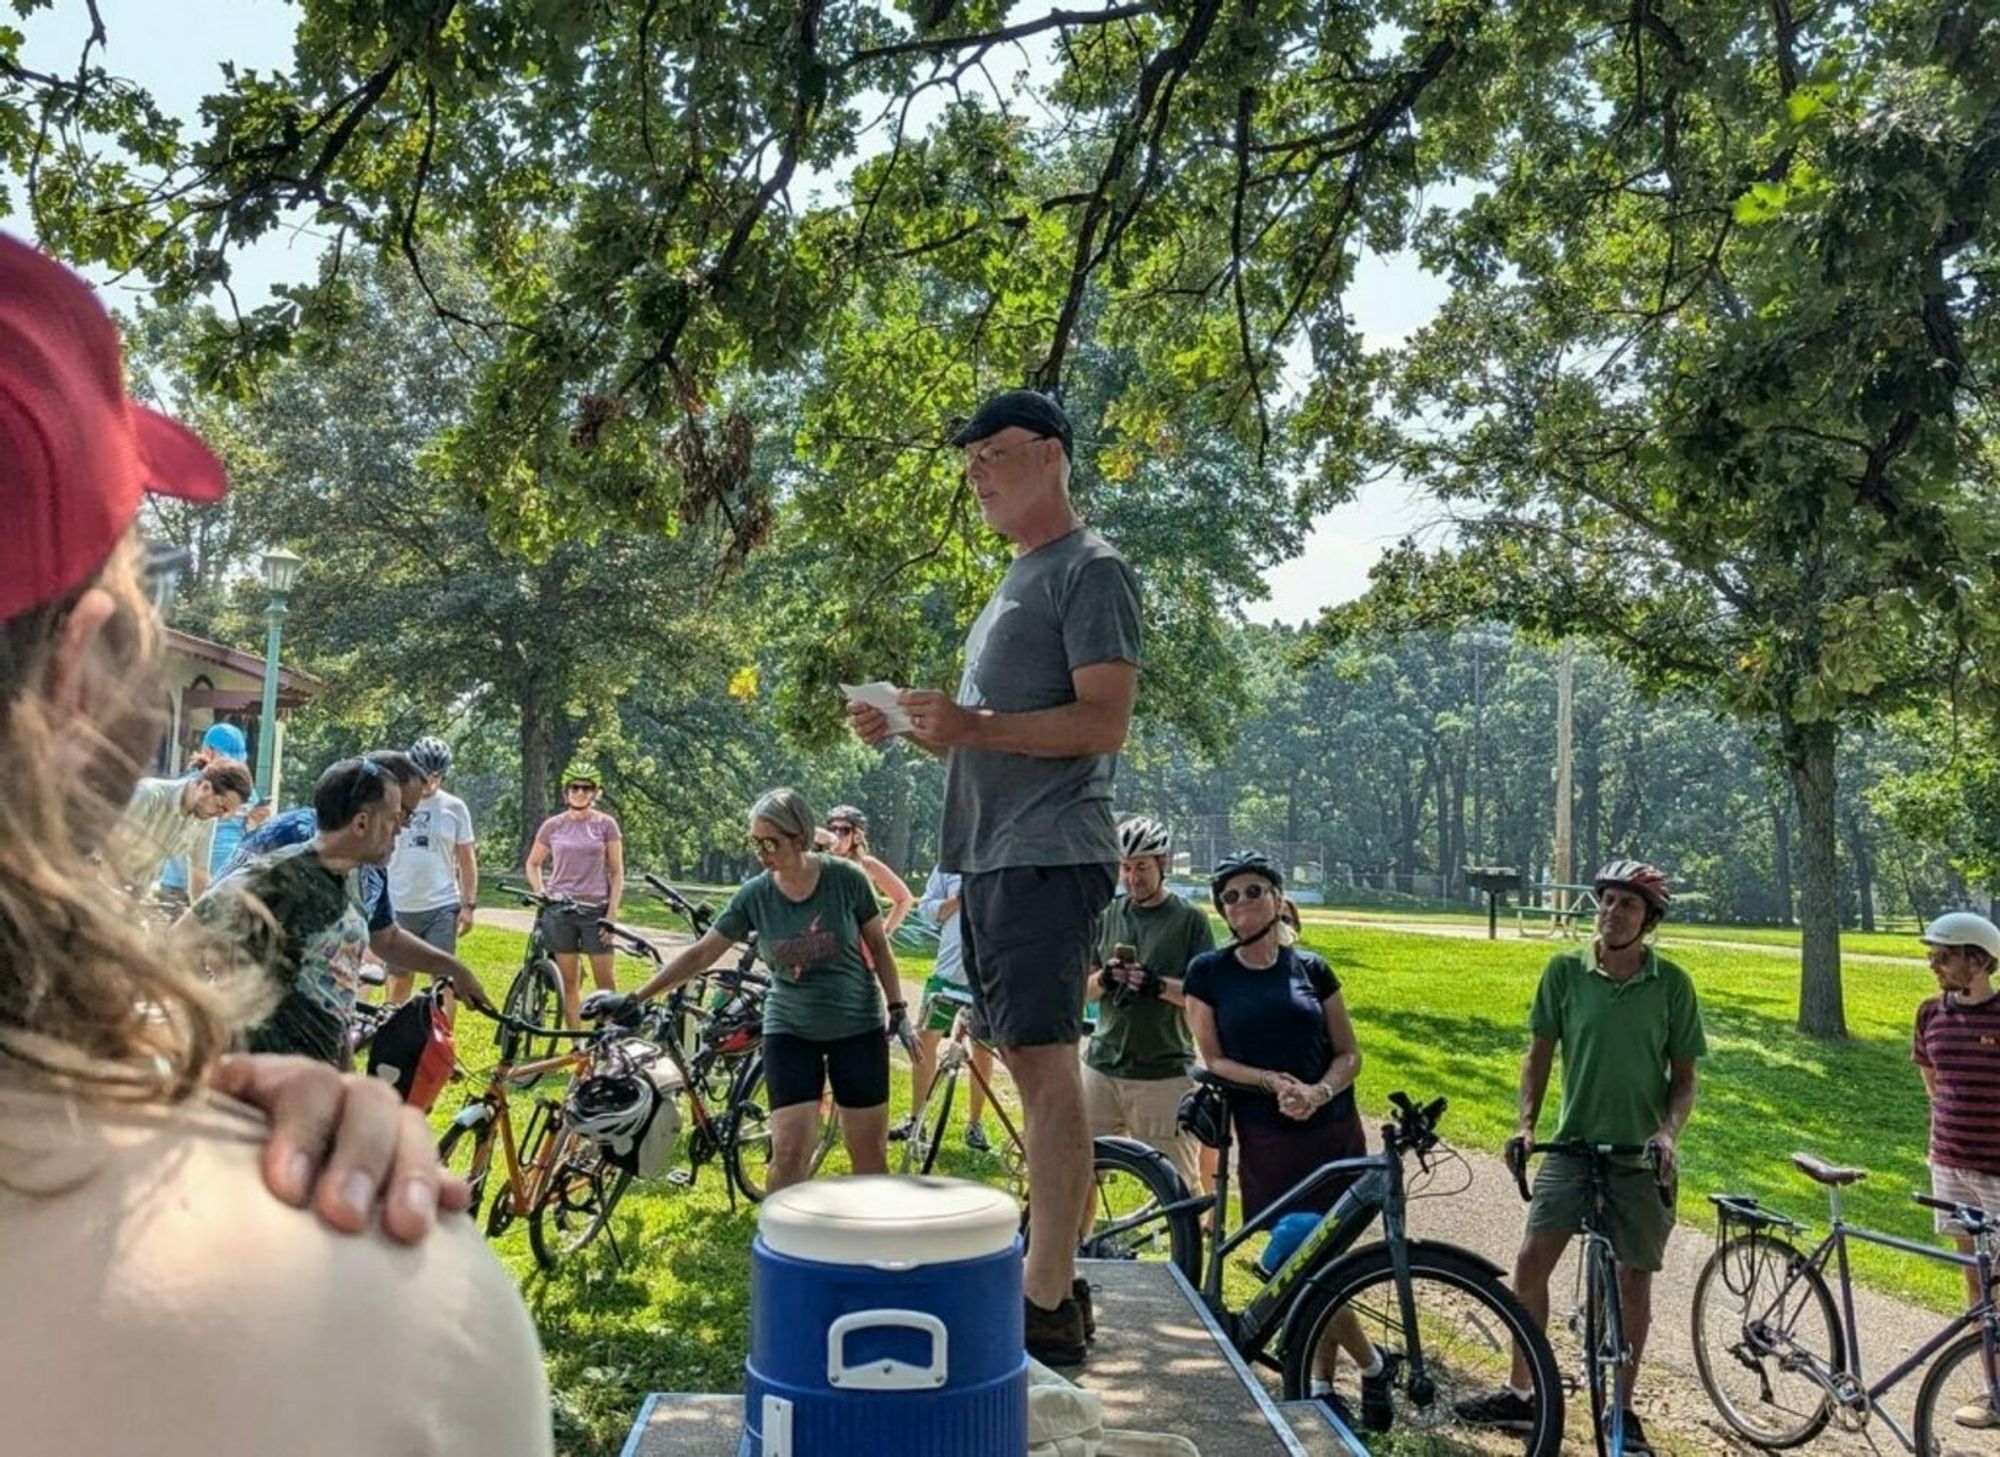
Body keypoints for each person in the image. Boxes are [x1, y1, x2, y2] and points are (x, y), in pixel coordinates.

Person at [0, 231, 550, 1452]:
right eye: (153, 613)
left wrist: (163, 1075)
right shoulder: (390, 1311)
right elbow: (217, 932)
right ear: (89, 675)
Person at [849, 388, 1141, 1365]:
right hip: (993, 854)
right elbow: (994, 743)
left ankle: (1047, 1298)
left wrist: (971, 725)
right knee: (1025, 1060)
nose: (973, 469)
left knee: (1044, 1067)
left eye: (993, 451)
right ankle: (1047, 1273)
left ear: (1051, 454)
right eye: (965, 457)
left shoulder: (1088, 570)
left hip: (1047, 852)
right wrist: (915, 727)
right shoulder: (1015, 577)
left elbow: (1101, 723)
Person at [1459, 859, 1704, 1453]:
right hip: (1571, 1145)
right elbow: (1537, 1055)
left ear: (1649, 921)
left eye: (1628, 905)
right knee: (1531, 1261)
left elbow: (1685, 1076)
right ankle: (1522, 1393)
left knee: (1633, 1279)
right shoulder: (1565, 972)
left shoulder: (1671, 983)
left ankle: (1622, 1410)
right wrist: (1524, 1124)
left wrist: (1668, 1133)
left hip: (1636, 1154)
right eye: (1607, 900)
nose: (1613, 912)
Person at [596, 788, 913, 1191]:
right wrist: (636, 997)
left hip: (856, 1026)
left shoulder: (846, 879)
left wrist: (898, 1007)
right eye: (755, 842)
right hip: (791, 1029)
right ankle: (782, 1244)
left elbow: (880, 947)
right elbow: (702, 954)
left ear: (799, 838)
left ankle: (873, 1247)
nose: (761, 852)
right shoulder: (756, 895)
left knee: (868, 1156)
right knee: (789, 1150)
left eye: (771, 843)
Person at [1183, 851, 1388, 1425]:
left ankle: (1320, 1383)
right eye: (1230, 897)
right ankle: (1373, 1365)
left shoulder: (1313, 969)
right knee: (1295, 1257)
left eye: (1253, 892)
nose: (1242, 904)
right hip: (1268, 1137)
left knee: (1328, 1261)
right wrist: (1272, 1082)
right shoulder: (1209, 973)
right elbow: (1215, 1059)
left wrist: (1319, 1091)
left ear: (1276, 898)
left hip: (1333, 1130)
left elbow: (1349, 1052)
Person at [192, 757, 492, 1064]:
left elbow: (382, 939)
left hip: (321, 1066)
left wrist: (454, 968)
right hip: (261, 1073)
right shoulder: (283, 868)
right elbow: (187, 937)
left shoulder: (364, 871)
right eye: (398, 815)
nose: (402, 829)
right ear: (362, 820)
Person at [1083, 815, 1213, 1195]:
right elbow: (1081, 992)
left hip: (1164, 1071)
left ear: (1163, 864)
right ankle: (1077, 1247)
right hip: (1102, 1066)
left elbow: (1203, 998)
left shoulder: (1189, 920)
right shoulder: (1107, 915)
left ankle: (1185, 1251)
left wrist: (1157, 985)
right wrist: (1106, 979)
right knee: (1079, 1172)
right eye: (1125, 868)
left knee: (1176, 1188)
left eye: (1141, 867)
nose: (1132, 877)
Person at [1913, 909, 2000, 1418]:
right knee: (1975, 1279)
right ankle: (1993, 1389)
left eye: (1944, 956)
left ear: (1979, 960)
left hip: (1997, 1172)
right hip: (1950, 1163)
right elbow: (1933, 1083)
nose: (1933, 964)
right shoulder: (1930, 1013)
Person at [524, 762, 624, 1027]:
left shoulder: (606, 825)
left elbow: (616, 872)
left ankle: (608, 1038)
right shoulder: (552, 826)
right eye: (574, 787)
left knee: (606, 982)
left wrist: (612, 914)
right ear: (566, 791)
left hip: (595, 911)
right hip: (560, 911)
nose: (580, 792)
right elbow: (532, 863)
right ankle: (576, 1046)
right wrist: (541, 891)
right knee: (569, 982)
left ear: (595, 793)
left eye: (586, 788)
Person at [907, 862, 997, 1151]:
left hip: (987, 980)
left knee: (982, 1050)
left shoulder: (1000, 860)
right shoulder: (948, 866)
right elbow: (926, 908)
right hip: (947, 975)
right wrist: (958, 900)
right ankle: (916, 1120)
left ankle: (975, 1125)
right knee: (924, 1042)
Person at [386, 734, 478, 1001]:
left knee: (444, 981)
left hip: (441, 904)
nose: (430, 783)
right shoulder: (394, 801)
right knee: (399, 979)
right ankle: (394, 1037)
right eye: (425, 776)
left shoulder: (454, 807)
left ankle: (443, 1041)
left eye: (437, 776)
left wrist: (468, 904)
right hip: (399, 903)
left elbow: (466, 858)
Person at [109, 755, 252, 901]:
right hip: (102, 887)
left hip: (136, 897)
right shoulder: (149, 795)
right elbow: (110, 850)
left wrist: (199, 919)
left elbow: (200, 873)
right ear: (206, 787)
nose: (222, 817)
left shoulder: (207, 819)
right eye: (221, 807)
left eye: (228, 812)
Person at [154, 721, 254, 909]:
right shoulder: (188, 790)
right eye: (221, 806)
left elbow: (200, 869)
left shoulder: (242, 791)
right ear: (208, 751)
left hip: (216, 886)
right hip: (177, 886)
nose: (223, 815)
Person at [820, 804, 915, 936]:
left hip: (857, 942)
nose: (837, 835)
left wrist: (884, 932)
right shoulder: (819, 864)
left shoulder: (867, 865)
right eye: (832, 829)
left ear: (857, 836)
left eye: (844, 830)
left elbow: (904, 899)